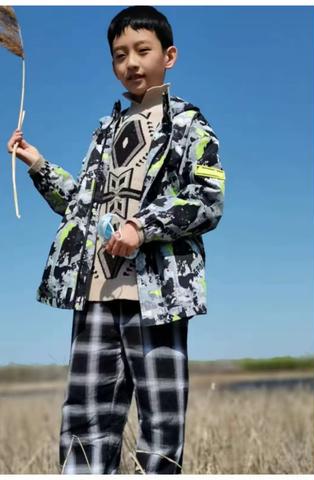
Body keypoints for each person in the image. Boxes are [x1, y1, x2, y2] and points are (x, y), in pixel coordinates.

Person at [6, 6, 225, 474]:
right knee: (85, 420)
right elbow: (79, 209)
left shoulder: (189, 125)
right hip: (95, 293)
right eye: (120, 55)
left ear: (169, 55)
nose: (132, 63)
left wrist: (140, 227)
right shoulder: (105, 132)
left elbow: (207, 199)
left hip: (156, 297)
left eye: (143, 51)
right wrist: (38, 164)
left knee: (161, 423)